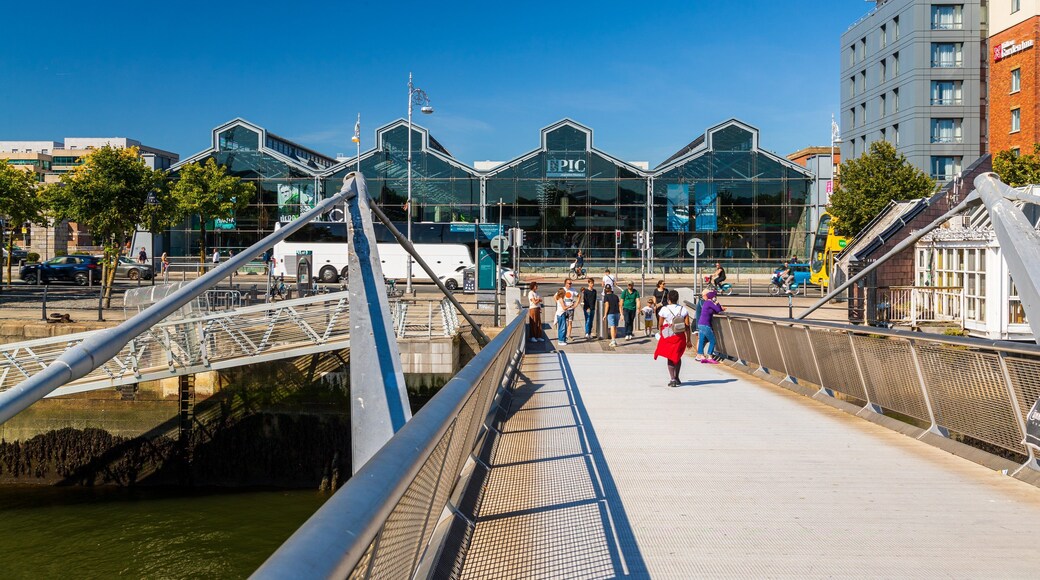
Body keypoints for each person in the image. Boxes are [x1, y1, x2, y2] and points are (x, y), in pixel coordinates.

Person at [654, 289, 693, 387]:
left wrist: (661, 332)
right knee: (677, 356)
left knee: (670, 357)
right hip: (679, 335)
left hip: (668, 334)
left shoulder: (664, 309)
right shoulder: (683, 310)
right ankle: (677, 377)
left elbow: (660, 324)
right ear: (678, 299)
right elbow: (687, 326)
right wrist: (688, 340)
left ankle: (672, 379)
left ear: (668, 299)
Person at [696, 288, 725, 363]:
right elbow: (718, 310)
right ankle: (710, 356)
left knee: (702, 340)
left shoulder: (706, 303)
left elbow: (714, 310)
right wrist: (717, 303)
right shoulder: (709, 302)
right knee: (713, 340)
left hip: (701, 324)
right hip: (705, 324)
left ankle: (700, 355)